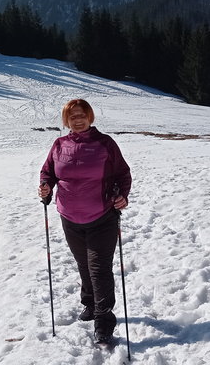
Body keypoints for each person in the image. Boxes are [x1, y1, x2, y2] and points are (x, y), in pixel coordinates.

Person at [38, 98, 131, 344]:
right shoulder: (59, 145)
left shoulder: (105, 144)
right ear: (66, 121)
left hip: (102, 216)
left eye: (81, 115)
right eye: (72, 117)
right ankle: (89, 303)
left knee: (99, 268)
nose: (77, 120)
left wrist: (122, 195)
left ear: (90, 117)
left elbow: (123, 173)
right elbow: (48, 171)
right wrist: (46, 186)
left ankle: (103, 321)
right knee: (83, 264)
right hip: (69, 217)